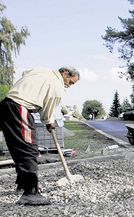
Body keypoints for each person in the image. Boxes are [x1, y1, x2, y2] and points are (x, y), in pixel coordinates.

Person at [0, 66, 80, 205]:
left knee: (17, 148)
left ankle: (22, 184)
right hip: (20, 108)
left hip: (5, 105)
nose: (69, 85)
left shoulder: (41, 71)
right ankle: (31, 192)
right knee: (29, 149)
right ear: (65, 73)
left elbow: (25, 72)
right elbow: (47, 113)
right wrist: (49, 123)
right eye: (71, 82)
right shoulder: (57, 87)